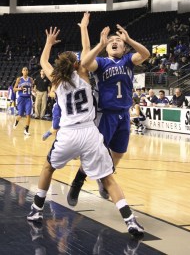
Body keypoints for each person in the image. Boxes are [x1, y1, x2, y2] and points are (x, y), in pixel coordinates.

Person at [27, 26, 144, 236]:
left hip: (69, 133)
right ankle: (130, 220)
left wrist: (49, 43)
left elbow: (44, 61)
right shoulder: (83, 74)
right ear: (76, 64)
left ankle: (36, 210)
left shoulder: (55, 79)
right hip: (90, 132)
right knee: (109, 178)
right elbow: (87, 48)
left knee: (48, 168)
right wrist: (91, 33)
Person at [67, 12, 150, 204]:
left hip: (124, 114)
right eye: (111, 41)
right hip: (105, 115)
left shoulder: (129, 60)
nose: (114, 42)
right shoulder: (102, 63)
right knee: (96, 153)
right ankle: (78, 181)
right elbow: (86, 62)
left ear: (123, 46)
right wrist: (100, 44)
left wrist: (129, 39)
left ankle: (104, 180)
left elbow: (145, 54)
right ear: (107, 46)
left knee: (119, 152)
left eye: (118, 41)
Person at [13, 67, 33, 135]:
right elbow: (14, 89)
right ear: (22, 71)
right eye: (24, 70)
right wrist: (19, 88)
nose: (25, 71)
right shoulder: (19, 79)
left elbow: (32, 88)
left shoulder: (31, 79)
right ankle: (16, 121)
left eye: (26, 70)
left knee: (28, 115)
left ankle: (26, 130)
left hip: (28, 99)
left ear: (28, 71)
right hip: (21, 98)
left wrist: (34, 91)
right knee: (20, 115)